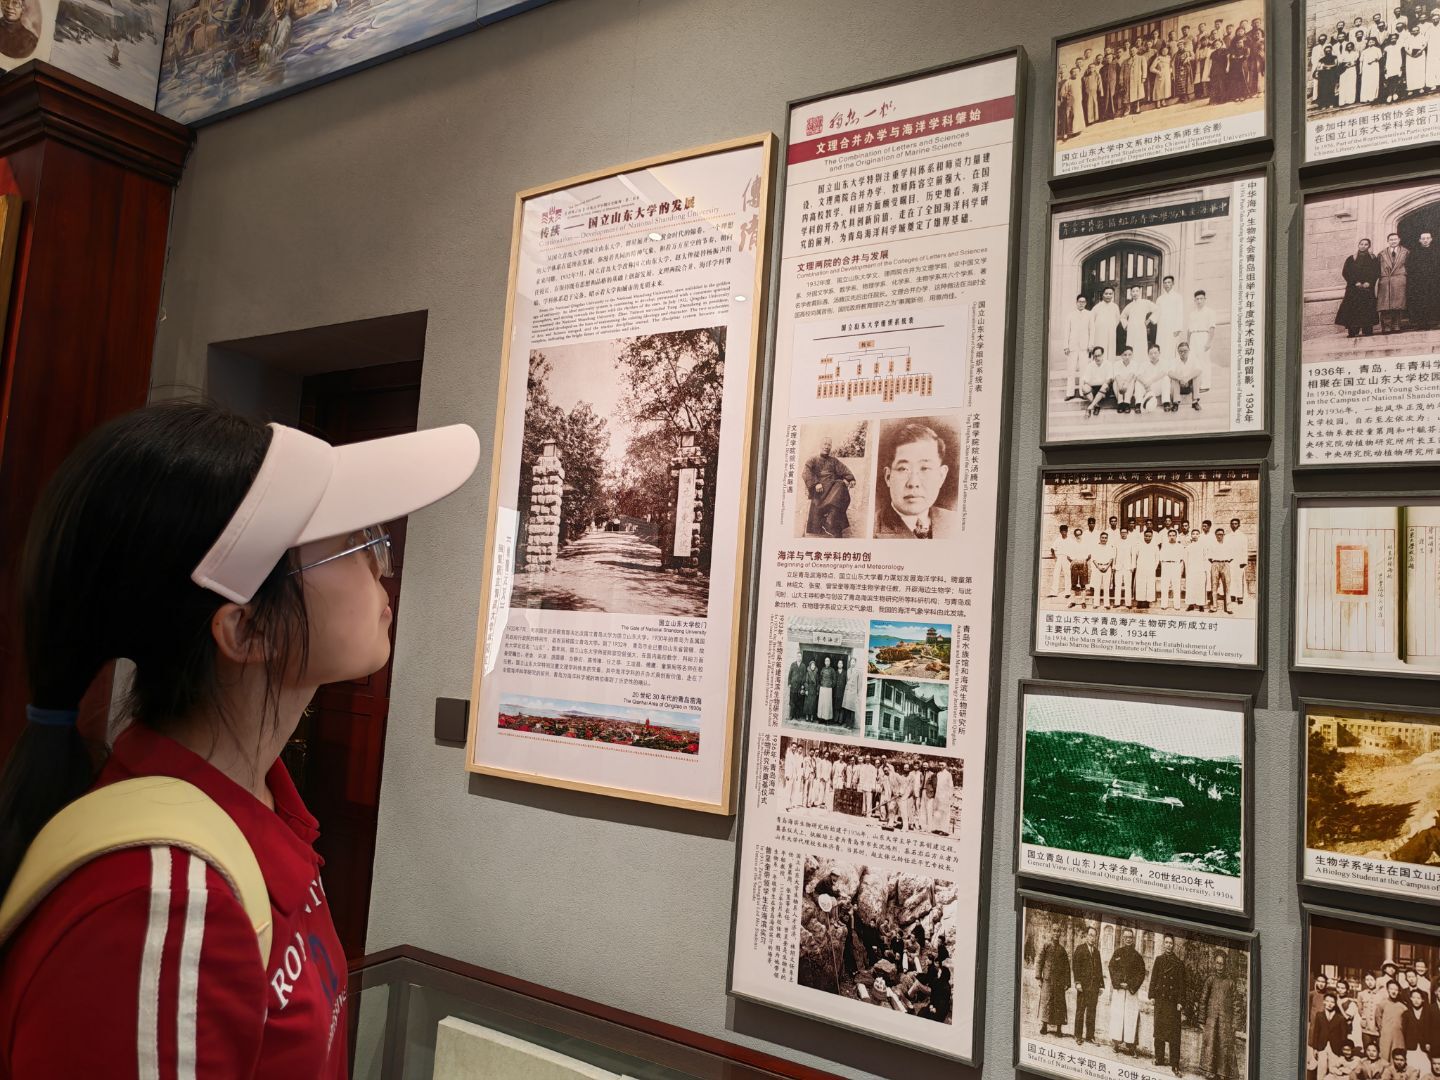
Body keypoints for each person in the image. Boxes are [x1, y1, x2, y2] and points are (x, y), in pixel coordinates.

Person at [0, 402, 481, 1078]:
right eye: (356, 541)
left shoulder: (259, 814)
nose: (383, 569)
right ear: (248, 630)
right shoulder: (164, 906)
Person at [874, 422, 952, 539]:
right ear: (888, 477)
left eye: (925, 468)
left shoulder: (954, 523)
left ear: (941, 476)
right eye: (903, 469)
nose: (913, 483)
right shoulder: (870, 529)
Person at [802, 437, 856, 538]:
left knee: (841, 485)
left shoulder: (834, 461)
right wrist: (816, 483)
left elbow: (844, 470)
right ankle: (831, 522)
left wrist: (851, 479)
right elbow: (806, 473)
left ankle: (830, 520)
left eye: (829, 445)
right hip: (820, 490)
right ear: (820, 445)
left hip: (833, 489)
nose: (827, 447)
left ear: (831, 447)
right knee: (840, 488)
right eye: (825, 444)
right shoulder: (812, 459)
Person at [1200, 949, 1240, 1080]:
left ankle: (1223, 1073)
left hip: (1225, 1022)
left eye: (1222, 964)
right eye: (1217, 963)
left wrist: (1234, 1024)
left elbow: (1236, 1004)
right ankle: (1209, 1071)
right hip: (1211, 1020)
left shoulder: (1230, 983)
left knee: (1224, 1046)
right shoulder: (1210, 980)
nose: (1219, 966)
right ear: (1214, 963)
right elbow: (1203, 1000)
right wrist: (1202, 1019)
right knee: (1211, 1045)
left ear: (1225, 965)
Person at [1150, 934, 1185, 1075]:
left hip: (1172, 1003)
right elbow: (1153, 979)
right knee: (1159, 1030)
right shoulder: (1158, 960)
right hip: (1160, 1000)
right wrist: (1152, 995)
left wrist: (1180, 1001)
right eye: (1166, 942)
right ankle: (1159, 1058)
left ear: (1173, 945)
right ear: (1163, 944)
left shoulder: (1179, 963)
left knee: (1174, 1034)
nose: (1168, 945)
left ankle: (1174, 1064)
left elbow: (1182, 985)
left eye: (1171, 943)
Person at [1109, 928, 1147, 1055]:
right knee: (1118, 1016)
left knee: (1131, 1017)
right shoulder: (1117, 953)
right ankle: (1116, 1044)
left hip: (1131, 992)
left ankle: (1131, 1046)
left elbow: (1141, 973)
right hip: (1119, 990)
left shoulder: (1137, 956)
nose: (1128, 939)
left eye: (1130, 937)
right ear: (1123, 938)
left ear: (1133, 939)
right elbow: (1112, 968)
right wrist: (1119, 983)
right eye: (1126, 937)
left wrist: (1130, 985)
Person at [1338, 238, 1382, 338]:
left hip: (1367, 289)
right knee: (1353, 309)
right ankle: (1353, 331)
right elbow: (1346, 272)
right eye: (1361, 244)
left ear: (1369, 246)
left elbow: (1376, 271)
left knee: (1367, 308)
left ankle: (1367, 330)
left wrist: (1369, 282)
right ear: (1358, 245)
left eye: (1366, 244)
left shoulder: (1373, 258)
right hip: (1353, 289)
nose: (1363, 246)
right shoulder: (1351, 258)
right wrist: (1355, 282)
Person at [1037, 923, 1071, 1037]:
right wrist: (1039, 978)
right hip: (1047, 980)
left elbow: (1067, 967)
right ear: (1051, 932)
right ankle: (1044, 1026)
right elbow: (1040, 962)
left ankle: (1059, 1029)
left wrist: (1067, 982)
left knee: (1059, 1004)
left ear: (1060, 934)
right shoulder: (1046, 946)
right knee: (1046, 1002)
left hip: (1059, 982)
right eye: (1054, 931)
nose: (1056, 933)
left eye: (1058, 931)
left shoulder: (1062, 950)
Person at [1072, 924, 1104, 1047]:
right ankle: (1078, 1035)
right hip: (1083, 987)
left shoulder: (1097, 952)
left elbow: (1099, 969)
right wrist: (1077, 982)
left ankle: (1090, 1036)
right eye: (1090, 935)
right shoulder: (1080, 949)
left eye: (1094, 936)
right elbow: (1076, 967)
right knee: (1080, 1010)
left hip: (1094, 988)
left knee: (1092, 1012)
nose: (1092, 938)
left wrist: (1101, 985)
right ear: (1086, 936)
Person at [1316, 990, 1354, 1078]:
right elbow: (1316, 1032)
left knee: (1333, 1070)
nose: (1329, 1004)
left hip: (1335, 1047)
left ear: (1335, 1003)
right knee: (1321, 1069)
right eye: (1327, 1001)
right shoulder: (1319, 1015)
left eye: (1332, 1002)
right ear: (1324, 1002)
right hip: (1322, 1046)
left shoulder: (1340, 1018)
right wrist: (1315, 1048)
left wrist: (1342, 1050)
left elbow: (1343, 1035)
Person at [1063, 293, 1093, 400]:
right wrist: (1066, 346)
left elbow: (1092, 331)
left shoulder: (1089, 314)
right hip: (1072, 346)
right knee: (1071, 370)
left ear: (1086, 303)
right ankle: (1070, 393)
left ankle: (1082, 392)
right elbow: (1067, 331)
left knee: (1083, 370)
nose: (1081, 304)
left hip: (1084, 347)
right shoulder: (1070, 315)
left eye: (1083, 302)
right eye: (1080, 302)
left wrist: (1090, 345)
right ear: (1076, 303)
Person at [1407, 231, 1440, 330]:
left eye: (1427, 238)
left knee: (1433, 300)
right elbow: (1411, 267)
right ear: (1420, 240)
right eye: (1423, 239)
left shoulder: (1437, 251)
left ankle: (1433, 321)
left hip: (1434, 281)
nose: (1425, 240)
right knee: (1420, 301)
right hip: (1419, 282)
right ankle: (1420, 322)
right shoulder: (1414, 253)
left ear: (1431, 239)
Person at [1402, 987, 1439, 1072]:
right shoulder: (1406, 1014)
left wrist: (1428, 1042)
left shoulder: (1427, 1012)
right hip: (1411, 1047)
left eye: (1418, 998)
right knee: (1411, 1068)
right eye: (1414, 997)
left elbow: (1429, 1029)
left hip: (1423, 1046)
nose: (1416, 1000)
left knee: (1425, 1068)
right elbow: (1404, 1031)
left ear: (1423, 1000)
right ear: (1410, 999)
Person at [1380, 233, 1411, 333]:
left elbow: (1409, 266)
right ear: (1388, 241)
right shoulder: (1382, 254)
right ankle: (1386, 326)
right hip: (1386, 281)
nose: (1393, 241)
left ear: (1399, 240)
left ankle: (1397, 325)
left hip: (1399, 280)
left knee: (1398, 304)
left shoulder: (1406, 252)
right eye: (1391, 239)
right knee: (1385, 304)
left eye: (1395, 239)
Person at [1188, 290, 1216, 392]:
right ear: (1194, 300)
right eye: (1197, 299)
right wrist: (1188, 343)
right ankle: (1196, 384)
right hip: (1193, 337)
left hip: (1203, 336)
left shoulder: (1210, 312)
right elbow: (1189, 330)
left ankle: (1205, 385)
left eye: (1201, 299)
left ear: (1205, 299)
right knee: (1194, 361)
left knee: (1204, 361)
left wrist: (1209, 342)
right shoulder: (1192, 313)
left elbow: (1212, 328)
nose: (1199, 301)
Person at [1155, 275, 1185, 364]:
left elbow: (1180, 313)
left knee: (1171, 347)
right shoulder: (1160, 299)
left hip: (1172, 327)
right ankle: (1162, 366)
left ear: (1173, 283)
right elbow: (1156, 313)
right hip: (1162, 327)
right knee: (1161, 346)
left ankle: (1171, 368)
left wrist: (1178, 328)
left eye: (1169, 282)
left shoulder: (1178, 297)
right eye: (1165, 283)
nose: (1167, 284)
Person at [1207, 526, 1237, 614]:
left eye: (1221, 534)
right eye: (1218, 534)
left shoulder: (1228, 545)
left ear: (1224, 535)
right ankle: (1214, 607)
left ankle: (1228, 607)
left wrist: (1225, 562)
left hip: (1225, 564)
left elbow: (1232, 557)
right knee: (1214, 585)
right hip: (1215, 564)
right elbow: (1209, 557)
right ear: (1215, 535)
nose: (1220, 536)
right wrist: (1216, 562)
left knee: (1227, 586)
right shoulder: (1211, 544)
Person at [1120, 285, 1156, 355]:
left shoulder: (1146, 303)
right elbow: (1122, 316)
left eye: (1137, 291)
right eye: (1133, 291)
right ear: (1131, 293)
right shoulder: (1129, 305)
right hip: (1131, 329)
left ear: (1140, 292)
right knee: (1131, 344)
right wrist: (1126, 325)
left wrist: (1149, 319)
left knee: (1140, 345)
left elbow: (1157, 309)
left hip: (1141, 327)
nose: (1135, 293)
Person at [1379, 980, 1409, 1063]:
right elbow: (1378, 1018)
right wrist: (1383, 1030)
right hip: (1386, 1035)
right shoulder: (1382, 1004)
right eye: (1391, 989)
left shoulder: (1403, 1007)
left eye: (1396, 989)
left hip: (1398, 1036)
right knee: (1385, 1056)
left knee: (1397, 1057)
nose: (1393, 991)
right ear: (1388, 990)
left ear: (1399, 991)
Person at [1080, 346, 1112, 418]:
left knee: (1105, 386)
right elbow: (1086, 381)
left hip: (1105, 391)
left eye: (1099, 355)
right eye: (1095, 356)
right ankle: (1096, 406)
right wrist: (1100, 382)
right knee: (1084, 387)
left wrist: (1094, 382)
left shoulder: (1108, 364)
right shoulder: (1090, 365)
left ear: (1103, 355)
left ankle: (1090, 407)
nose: (1097, 358)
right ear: (1093, 356)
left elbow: (1109, 380)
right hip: (1094, 390)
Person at [1138, 344, 1171, 413]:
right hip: (1147, 388)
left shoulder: (1164, 362)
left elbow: (1163, 373)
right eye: (1151, 353)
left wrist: (1150, 381)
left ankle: (1166, 402)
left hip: (1158, 388)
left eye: (1155, 353)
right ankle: (1138, 404)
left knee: (1166, 378)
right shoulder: (1144, 364)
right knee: (1138, 383)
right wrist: (1145, 383)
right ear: (1148, 354)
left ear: (1159, 353)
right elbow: (1138, 375)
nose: (1153, 355)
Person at [1170, 341, 1203, 410]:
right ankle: (1176, 403)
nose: (1183, 353)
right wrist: (1180, 379)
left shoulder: (1194, 359)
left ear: (1189, 350)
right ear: (1178, 352)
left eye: (1185, 351)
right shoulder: (1174, 360)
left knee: (1197, 377)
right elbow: (1170, 372)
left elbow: (1199, 370)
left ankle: (1195, 402)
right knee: (1174, 378)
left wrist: (1187, 378)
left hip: (1190, 386)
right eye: (1180, 351)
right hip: (1178, 386)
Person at [1091, 285, 1122, 357]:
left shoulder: (1115, 307)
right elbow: (1091, 321)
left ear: (1113, 295)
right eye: (1106, 293)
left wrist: (1111, 327)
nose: (1108, 296)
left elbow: (1117, 319)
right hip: (1099, 334)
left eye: (1110, 294)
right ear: (1102, 294)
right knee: (1100, 350)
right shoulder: (1097, 307)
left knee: (1110, 351)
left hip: (1111, 333)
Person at [1158, 529, 1185, 610]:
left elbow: (1182, 559)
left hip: (1176, 565)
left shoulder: (1180, 546)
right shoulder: (1164, 546)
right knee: (1164, 586)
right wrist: (1163, 566)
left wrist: (1180, 570)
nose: (1172, 537)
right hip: (1166, 565)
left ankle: (1177, 605)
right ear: (1167, 536)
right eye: (1170, 535)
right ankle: (1164, 605)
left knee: (1176, 586)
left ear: (1176, 536)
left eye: (1173, 535)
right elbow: (1161, 558)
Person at [1089, 532, 1116, 608]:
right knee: (1097, 586)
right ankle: (1096, 603)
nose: (1104, 539)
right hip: (1098, 568)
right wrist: (1098, 567)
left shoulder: (1110, 547)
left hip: (1107, 567)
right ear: (1100, 538)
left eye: (1105, 538)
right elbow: (1093, 559)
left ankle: (1106, 604)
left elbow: (1111, 558)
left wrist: (1107, 567)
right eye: (1102, 537)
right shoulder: (1095, 547)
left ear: (1107, 539)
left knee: (1106, 586)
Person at [1111, 345, 1140, 413]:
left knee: (1131, 381)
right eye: (1125, 355)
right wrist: (1121, 385)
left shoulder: (1135, 364)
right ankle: (1120, 403)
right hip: (1119, 383)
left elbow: (1131, 375)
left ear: (1132, 355)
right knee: (1116, 382)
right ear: (1121, 356)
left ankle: (1127, 403)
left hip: (1129, 383)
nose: (1127, 357)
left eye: (1129, 355)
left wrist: (1126, 384)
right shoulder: (1116, 364)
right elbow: (1117, 376)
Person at [1048, 522, 1073, 600]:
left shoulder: (1070, 540)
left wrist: (1071, 558)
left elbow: (1074, 549)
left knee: (1067, 574)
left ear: (1067, 531)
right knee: (1056, 574)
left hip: (1066, 558)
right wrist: (1054, 556)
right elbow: (1052, 548)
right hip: (1059, 557)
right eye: (1062, 531)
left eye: (1065, 531)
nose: (1063, 532)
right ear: (1060, 532)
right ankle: (1053, 592)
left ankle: (1067, 592)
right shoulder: (1058, 540)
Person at [1227, 517, 1249, 606]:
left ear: (1239, 525)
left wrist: (1244, 561)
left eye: (1236, 524)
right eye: (1232, 524)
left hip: (1239, 561)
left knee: (1239, 578)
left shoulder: (1242, 536)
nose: (1234, 525)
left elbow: (1245, 549)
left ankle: (1240, 597)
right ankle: (1232, 595)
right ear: (1230, 525)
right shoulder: (1227, 536)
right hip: (1230, 561)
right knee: (1231, 578)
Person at [1362, 35, 1385, 100]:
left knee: (1374, 80)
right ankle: (1366, 97)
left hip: (1374, 66)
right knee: (1367, 81)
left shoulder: (1377, 49)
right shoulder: (1364, 51)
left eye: (1372, 42)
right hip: (1366, 67)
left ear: (1375, 42)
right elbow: (1362, 60)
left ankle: (1373, 97)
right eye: (1370, 42)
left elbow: (1379, 57)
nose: (1371, 43)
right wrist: (1361, 70)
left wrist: (1373, 60)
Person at [816, 655, 836, 724]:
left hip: (828, 689)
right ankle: (821, 718)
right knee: (821, 704)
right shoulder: (822, 669)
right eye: (826, 661)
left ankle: (827, 719)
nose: (827, 662)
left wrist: (830, 685)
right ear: (824, 662)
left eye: (828, 661)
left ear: (830, 662)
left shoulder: (832, 670)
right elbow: (820, 678)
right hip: (822, 688)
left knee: (827, 704)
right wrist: (821, 684)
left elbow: (834, 680)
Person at [840, 658, 858, 729]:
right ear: (850, 663)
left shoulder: (857, 671)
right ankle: (847, 723)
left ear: (855, 663)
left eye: (853, 662)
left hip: (853, 692)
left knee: (852, 709)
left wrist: (857, 693)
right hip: (848, 691)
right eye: (851, 662)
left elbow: (859, 683)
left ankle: (851, 725)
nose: (852, 663)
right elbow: (847, 680)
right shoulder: (848, 670)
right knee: (847, 708)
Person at [787, 656, 807, 722]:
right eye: (798, 656)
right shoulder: (793, 664)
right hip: (793, 686)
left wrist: (802, 685)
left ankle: (797, 716)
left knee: (799, 702)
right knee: (792, 701)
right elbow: (790, 674)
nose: (799, 658)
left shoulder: (803, 666)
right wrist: (789, 683)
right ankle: (791, 716)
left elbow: (804, 676)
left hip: (799, 687)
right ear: (796, 657)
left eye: (800, 657)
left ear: (801, 658)